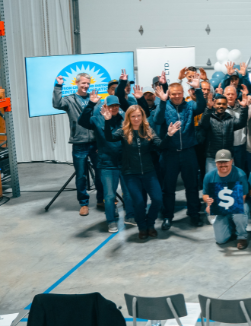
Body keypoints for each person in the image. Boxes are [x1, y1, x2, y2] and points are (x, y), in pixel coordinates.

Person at [103, 104, 179, 240]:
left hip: (149, 172)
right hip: (131, 174)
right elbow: (109, 138)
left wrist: (169, 135)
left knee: (157, 199)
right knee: (138, 202)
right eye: (133, 116)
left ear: (143, 116)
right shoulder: (123, 131)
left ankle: (150, 224)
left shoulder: (148, 130)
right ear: (129, 118)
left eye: (139, 116)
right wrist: (107, 121)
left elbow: (160, 145)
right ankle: (142, 227)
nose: (136, 118)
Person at [151, 75, 206, 229]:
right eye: (173, 93)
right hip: (170, 154)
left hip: (188, 152)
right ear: (169, 93)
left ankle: (194, 214)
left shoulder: (189, 106)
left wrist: (198, 89)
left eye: (179, 93)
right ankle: (168, 216)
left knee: (192, 186)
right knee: (168, 188)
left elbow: (201, 106)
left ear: (183, 93)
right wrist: (162, 101)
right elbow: (157, 120)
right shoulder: (164, 105)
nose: (176, 96)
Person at [78, 91, 134, 232]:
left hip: (124, 162)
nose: (114, 108)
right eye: (111, 106)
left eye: (116, 106)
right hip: (107, 164)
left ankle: (131, 216)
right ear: (105, 106)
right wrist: (91, 104)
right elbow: (82, 121)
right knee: (109, 195)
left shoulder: (124, 119)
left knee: (128, 193)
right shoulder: (97, 119)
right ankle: (111, 220)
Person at [53, 72, 99, 215]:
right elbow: (57, 104)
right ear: (77, 83)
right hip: (79, 143)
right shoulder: (70, 99)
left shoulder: (96, 99)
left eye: (87, 83)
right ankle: (84, 203)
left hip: (96, 143)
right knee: (81, 175)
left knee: (101, 172)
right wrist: (58, 86)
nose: (85, 86)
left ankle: (102, 199)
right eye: (83, 83)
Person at [202, 149, 251, 250]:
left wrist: (225, 207)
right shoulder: (209, 176)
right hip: (221, 209)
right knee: (220, 240)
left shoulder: (240, 174)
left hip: (237, 205)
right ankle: (231, 227)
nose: (223, 164)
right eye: (220, 162)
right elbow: (205, 194)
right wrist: (209, 203)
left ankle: (242, 237)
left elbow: (243, 197)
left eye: (226, 161)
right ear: (215, 163)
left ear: (231, 161)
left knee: (240, 213)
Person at [197, 92, 251, 173]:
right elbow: (203, 124)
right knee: (212, 181)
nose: (221, 106)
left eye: (223, 104)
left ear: (226, 106)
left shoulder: (230, 118)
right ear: (214, 105)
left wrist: (244, 108)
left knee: (230, 181)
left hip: (228, 156)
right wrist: (208, 108)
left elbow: (241, 123)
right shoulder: (209, 118)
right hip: (212, 157)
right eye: (218, 104)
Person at [221, 85, 249, 171]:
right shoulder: (220, 109)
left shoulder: (242, 106)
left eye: (232, 94)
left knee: (240, 170)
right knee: (226, 170)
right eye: (228, 94)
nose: (230, 96)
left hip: (240, 145)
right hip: (225, 146)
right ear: (224, 95)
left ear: (236, 95)